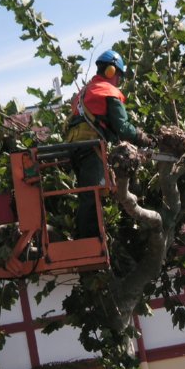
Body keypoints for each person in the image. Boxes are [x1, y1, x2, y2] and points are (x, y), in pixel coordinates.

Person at [65, 49, 152, 238]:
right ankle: (89, 240)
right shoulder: (107, 90)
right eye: (118, 76)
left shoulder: (85, 91)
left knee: (88, 194)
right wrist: (142, 137)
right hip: (90, 147)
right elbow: (123, 127)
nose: (118, 81)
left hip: (75, 148)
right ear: (111, 71)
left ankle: (86, 236)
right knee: (92, 196)